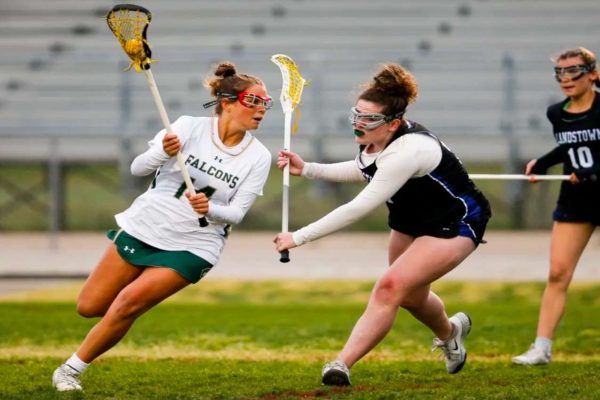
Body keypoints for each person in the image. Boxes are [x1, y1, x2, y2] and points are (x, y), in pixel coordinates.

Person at [52, 62, 272, 391]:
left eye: (265, 104)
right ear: (226, 102)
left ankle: (69, 371)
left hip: (194, 245)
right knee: (91, 307)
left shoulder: (258, 156)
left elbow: (238, 213)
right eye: (253, 101)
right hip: (145, 226)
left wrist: (211, 209)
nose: (261, 110)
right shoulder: (187, 127)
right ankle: (111, 327)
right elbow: (138, 168)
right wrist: (161, 152)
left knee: (127, 303)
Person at [273, 63, 492, 386]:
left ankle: (340, 364)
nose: (358, 124)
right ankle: (451, 333)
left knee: (389, 287)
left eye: (369, 118)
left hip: (456, 222)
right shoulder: (374, 140)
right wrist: (308, 169)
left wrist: (299, 237)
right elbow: (366, 169)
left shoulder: (409, 150)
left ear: (393, 124)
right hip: (409, 221)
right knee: (411, 296)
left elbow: (359, 206)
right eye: (356, 115)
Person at [512, 47, 600, 366]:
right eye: (560, 73)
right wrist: (543, 163)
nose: (565, 78)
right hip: (576, 200)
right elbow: (571, 147)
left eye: (573, 71)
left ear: (592, 73)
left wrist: (592, 173)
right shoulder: (556, 113)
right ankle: (541, 347)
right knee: (557, 273)